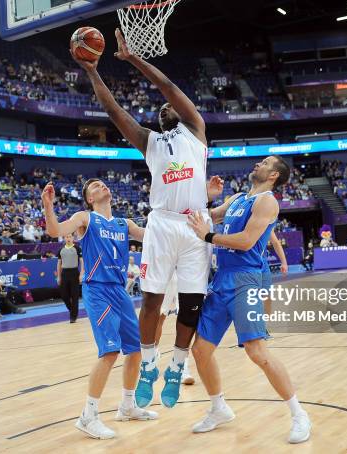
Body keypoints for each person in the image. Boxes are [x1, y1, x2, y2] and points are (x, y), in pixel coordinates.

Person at [74, 29, 224, 409]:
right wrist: (93, 70)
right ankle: (150, 367)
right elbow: (112, 111)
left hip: (194, 225)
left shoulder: (196, 131)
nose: (163, 109)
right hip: (161, 223)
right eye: (158, 112)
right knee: (152, 302)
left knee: (191, 304)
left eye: (166, 107)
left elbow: (169, 87)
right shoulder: (150, 142)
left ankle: (175, 367)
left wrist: (134, 59)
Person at [187, 156, 311, 444]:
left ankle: (299, 414)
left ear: (274, 176)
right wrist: (208, 198)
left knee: (257, 352)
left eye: (266, 163)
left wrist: (208, 237)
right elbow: (209, 217)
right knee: (201, 351)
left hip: (246, 279)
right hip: (222, 280)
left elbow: (245, 241)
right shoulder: (239, 198)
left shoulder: (268, 201)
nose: (258, 164)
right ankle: (218, 408)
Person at [42, 179, 157, 439]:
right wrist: (48, 206)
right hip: (98, 290)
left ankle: (128, 405)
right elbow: (54, 230)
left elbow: (151, 235)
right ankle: (88, 416)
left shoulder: (123, 224)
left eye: (103, 184)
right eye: (95, 186)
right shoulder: (86, 218)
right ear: (90, 199)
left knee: (135, 349)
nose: (102, 186)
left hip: (120, 291)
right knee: (109, 351)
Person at [154, 273, 195, 385]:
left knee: (186, 318)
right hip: (165, 270)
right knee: (159, 316)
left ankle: (182, 366)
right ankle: (152, 357)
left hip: (185, 270)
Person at [57, 233, 83, 323]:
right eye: (66, 237)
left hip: (74, 273)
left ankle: (73, 317)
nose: (68, 238)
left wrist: (81, 274)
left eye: (70, 237)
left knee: (74, 296)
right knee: (64, 295)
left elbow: (82, 262)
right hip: (64, 273)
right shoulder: (61, 249)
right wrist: (59, 276)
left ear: (73, 238)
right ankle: (72, 310)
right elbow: (59, 264)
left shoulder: (77, 248)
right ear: (64, 238)